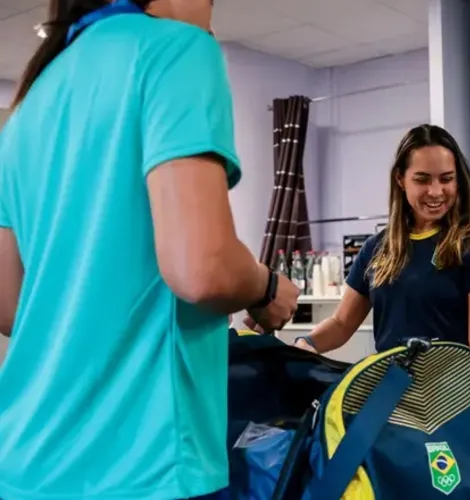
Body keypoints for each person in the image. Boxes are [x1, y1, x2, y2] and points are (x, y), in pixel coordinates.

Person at [0, 1, 300, 499]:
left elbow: (10, 304)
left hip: (23, 461)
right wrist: (266, 286)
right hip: (141, 467)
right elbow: (203, 269)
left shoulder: (29, 105)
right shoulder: (176, 50)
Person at [293, 124, 470, 376]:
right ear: (401, 180)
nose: (436, 191)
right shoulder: (376, 248)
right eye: (422, 179)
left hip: (448, 401)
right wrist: (307, 343)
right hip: (389, 397)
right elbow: (341, 323)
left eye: (446, 179)